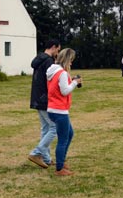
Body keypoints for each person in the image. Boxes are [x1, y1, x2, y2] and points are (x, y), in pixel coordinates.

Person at [46, 48, 82, 176]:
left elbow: (59, 87)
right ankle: (59, 168)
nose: (71, 63)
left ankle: (61, 161)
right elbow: (64, 91)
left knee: (69, 134)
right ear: (66, 60)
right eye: (71, 61)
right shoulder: (62, 73)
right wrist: (74, 82)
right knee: (63, 139)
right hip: (59, 110)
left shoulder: (53, 71)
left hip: (53, 108)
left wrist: (70, 81)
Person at [28, 39, 61, 168]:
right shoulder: (48, 62)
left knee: (46, 129)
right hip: (45, 99)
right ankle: (36, 152)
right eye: (58, 50)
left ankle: (46, 159)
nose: (57, 52)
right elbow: (51, 82)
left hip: (36, 98)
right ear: (53, 47)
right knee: (54, 128)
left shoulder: (38, 59)